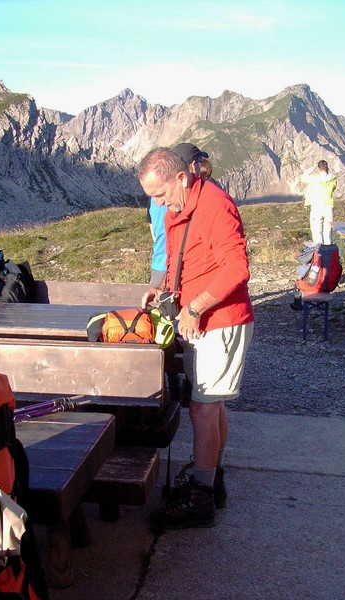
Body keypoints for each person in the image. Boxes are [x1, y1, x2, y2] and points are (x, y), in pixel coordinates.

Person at [139, 147, 254, 530]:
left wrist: (194, 307)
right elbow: (183, 262)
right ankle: (211, 479)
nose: (157, 203)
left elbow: (236, 269)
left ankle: (201, 499)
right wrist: (165, 292)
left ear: (181, 178)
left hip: (220, 322)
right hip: (201, 323)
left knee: (202, 409)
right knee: (211, 406)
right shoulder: (180, 208)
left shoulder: (215, 206)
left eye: (159, 194)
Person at [147, 143, 208, 287]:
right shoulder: (183, 201)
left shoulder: (154, 196)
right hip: (180, 266)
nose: (160, 202)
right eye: (199, 162)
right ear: (192, 166)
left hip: (160, 262)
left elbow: (153, 230)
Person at [301, 160, 337, 245]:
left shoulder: (314, 178)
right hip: (328, 206)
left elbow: (303, 178)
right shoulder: (333, 178)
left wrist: (310, 169)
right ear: (327, 167)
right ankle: (328, 251)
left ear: (318, 168)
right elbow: (333, 188)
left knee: (317, 232)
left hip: (316, 206)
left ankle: (319, 251)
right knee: (328, 233)